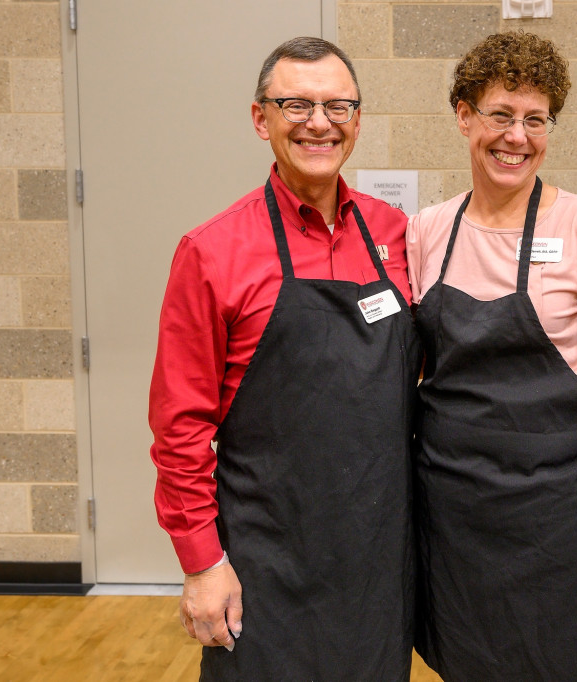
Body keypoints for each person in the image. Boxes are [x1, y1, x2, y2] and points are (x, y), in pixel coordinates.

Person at [148, 37, 420, 681]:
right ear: (259, 117)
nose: (319, 122)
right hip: (263, 560)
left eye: (337, 105)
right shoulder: (211, 251)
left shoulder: (399, 234)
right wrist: (202, 564)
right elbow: (180, 427)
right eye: (296, 104)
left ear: (357, 119)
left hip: (379, 557)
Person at [407, 31, 577, 681]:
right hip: (459, 505)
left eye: (535, 120)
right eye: (500, 115)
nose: (517, 136)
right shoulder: (428, 231)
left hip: (566, 505)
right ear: (464, 116)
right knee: (472, 656)